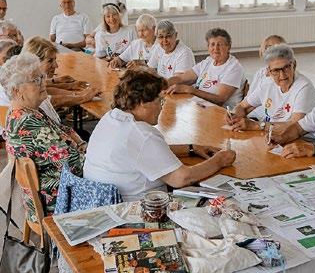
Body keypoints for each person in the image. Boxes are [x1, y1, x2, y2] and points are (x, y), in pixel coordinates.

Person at [84, 69, 236, 201]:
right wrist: (219, 160)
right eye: (160, 101)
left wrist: (191, 148)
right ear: (142, 102)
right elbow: (182, 178)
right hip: (131, 208)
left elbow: (143, 151)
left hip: (100, 201)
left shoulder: (112, 117)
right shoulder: (141, 133)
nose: (161, 107)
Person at [2, 53, 86, 221]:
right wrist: (85, 148)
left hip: (49, 192)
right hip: (56, 203)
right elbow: (75, 165)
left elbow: (64, 130)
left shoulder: (23, 112)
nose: (43, 83)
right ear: (17, 91)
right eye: (36, 80)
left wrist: (80, 144)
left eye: (41, 77)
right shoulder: (28, 122)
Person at [226, 44, 315, 133]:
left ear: (294, 65)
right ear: (269, 71)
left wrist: (256, 125)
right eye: (276, 70)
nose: (282, 75)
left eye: (286, 67)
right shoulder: (267, 83)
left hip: (303, 139)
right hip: (272, 134)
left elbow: (294, 126)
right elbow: (243, 107)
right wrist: (234, 116)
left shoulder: (304, 87)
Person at [166, 28, 245, 108]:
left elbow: (220, 99)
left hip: (221, 112)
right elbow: (181, 78)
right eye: (212, 44)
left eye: (220, 44)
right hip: (200, 107)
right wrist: (163, 83)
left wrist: (190, 90)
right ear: (208, 47)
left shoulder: (234, 68)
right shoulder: (208, 61)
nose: (216, 48)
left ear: (228, 47)